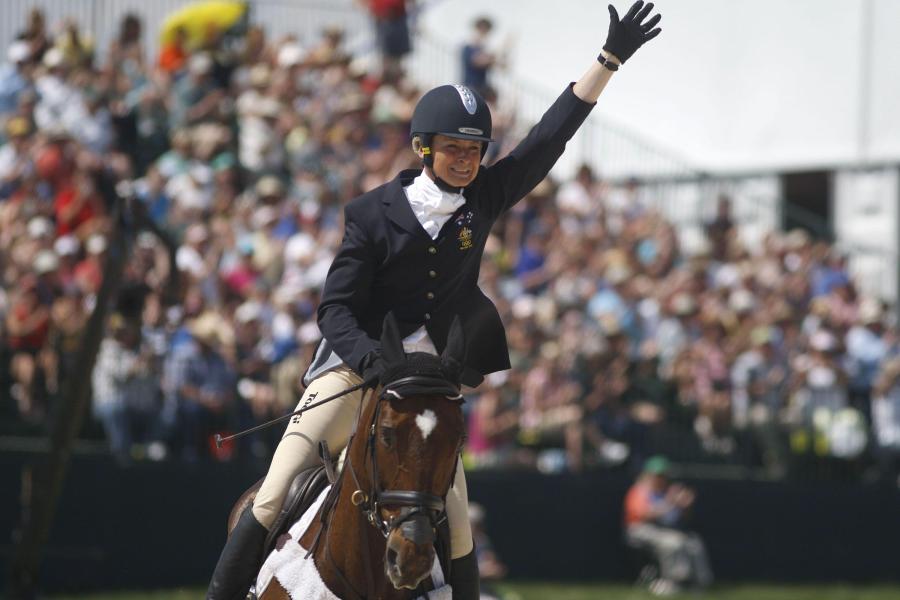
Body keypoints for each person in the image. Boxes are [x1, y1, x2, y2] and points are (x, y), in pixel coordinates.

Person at [208, 3, 663, 598]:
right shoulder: (370, 215)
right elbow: (335, 312)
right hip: (356, 368)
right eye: (454, 148)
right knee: (277, 485)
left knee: (458, 520)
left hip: (431, 381)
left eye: (475, 149)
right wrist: (371, 360)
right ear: (424, 148)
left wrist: (608, 62)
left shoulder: (484, 199)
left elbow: (549, 139)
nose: (467, 159)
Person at [624, 456, 713, 594]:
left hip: (665, 529)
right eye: (657, 475)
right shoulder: (639, 491)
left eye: (663, 475)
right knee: (673, 543)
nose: (661, 478)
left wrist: (685, 506)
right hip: (640, 529)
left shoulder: (668, 491)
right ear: (648, 475)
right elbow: (645, 515)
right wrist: (670, 501)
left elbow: (678, 519)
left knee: (694, 543)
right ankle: (674, 583)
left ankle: (699, 583)